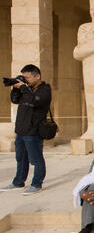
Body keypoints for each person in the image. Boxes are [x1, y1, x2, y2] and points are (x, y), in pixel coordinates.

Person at [0, 64, 51, 195]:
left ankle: (36, 184)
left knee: (36, 159)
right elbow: (14, 100)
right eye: (24, 77)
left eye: (27, 77)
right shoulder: (26, 89)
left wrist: (23, 87)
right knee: (20, 158)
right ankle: (18, 182)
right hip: (21, 130)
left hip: (33, 131)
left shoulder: (45, 89)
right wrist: (16, 89)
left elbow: (35, 101)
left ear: (37, 76)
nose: (25, 80)